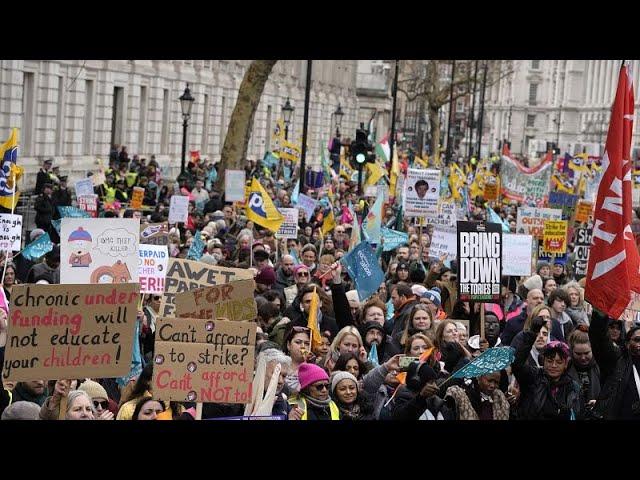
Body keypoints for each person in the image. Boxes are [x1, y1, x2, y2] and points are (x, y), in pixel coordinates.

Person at [512, 316, 583, 420]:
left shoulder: (573, 387)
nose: (553, 365)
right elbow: (517, 365)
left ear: (566, 365)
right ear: (543, 361)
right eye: (549, 361)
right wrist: (532, 333)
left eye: (559, 362)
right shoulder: (533, 377)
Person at [588, 309, 640, 420]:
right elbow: (599, 338)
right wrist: (600, 313)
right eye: (637, 339)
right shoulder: (618, 359)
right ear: (626, 343)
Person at [445, 371, 510, 420]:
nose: (492, 385)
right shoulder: (466, 396)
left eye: (496, 382)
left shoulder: (499, 400)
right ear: (479, 377)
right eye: (489, 381)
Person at [567, 330, 601, 411]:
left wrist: (599, 403)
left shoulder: (601, 366)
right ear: (572, 351)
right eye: (578, 354)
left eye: (586, 353)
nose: (583, 357)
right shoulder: (566, 367)